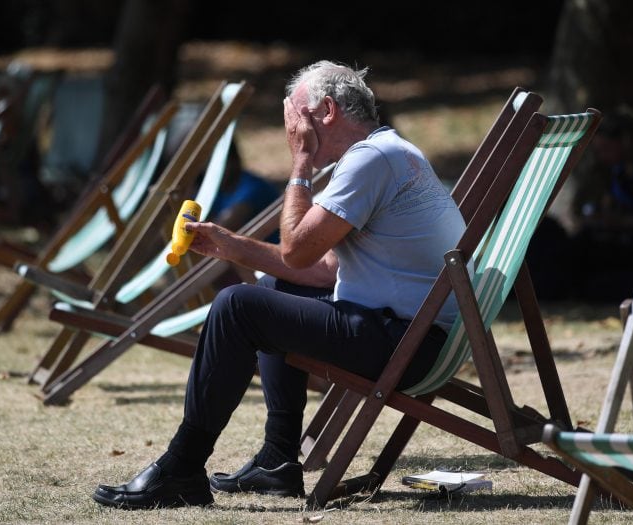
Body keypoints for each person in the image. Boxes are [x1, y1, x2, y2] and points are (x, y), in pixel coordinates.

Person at [92, 60, 467, 509]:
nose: (290, 128)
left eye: (295, 116)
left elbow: (296, 251)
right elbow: (325, 268)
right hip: (414, 335)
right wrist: (232, 246)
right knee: (270, 289)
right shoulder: (386, 153)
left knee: (236, 307)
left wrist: (301, 162)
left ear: (326, 111)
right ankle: (278, 460)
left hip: (404, 343)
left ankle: (181, 467)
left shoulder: (371, 161)